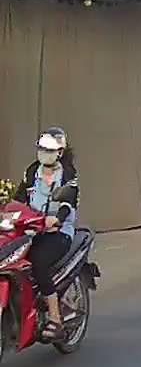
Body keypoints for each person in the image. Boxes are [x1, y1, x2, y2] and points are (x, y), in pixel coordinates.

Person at [12, 128, 79, 341]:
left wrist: (56, 218)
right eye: (41, 149)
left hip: (58, 232)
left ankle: (55, 319)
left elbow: (68, 203)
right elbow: (19, 198)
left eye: (49, 150)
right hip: (30, 230)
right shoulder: (32, 171)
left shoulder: (67, 174)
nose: (44, 153)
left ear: (59, 152)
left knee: (38, 262)